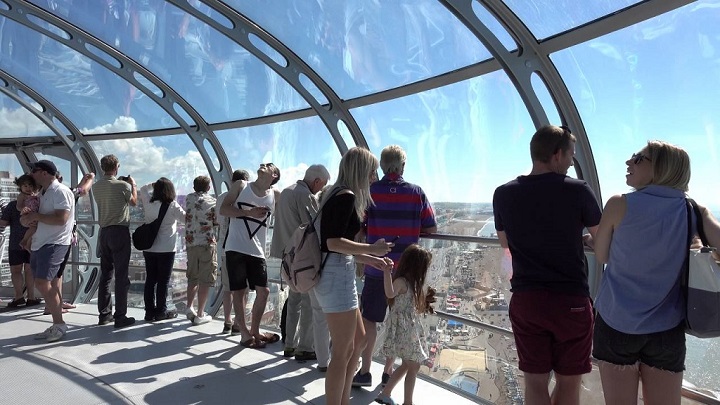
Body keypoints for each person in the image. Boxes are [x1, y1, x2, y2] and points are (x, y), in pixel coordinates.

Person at [592, 141, 720, 405]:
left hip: (617, 324)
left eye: (638, 158)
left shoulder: (619, 204)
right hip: (666, 329)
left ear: (661, 167)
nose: (629, 162)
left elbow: (603, 256)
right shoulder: (693, 209)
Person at [492, 125, 601, 405]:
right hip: (571, 302)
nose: (570, 163)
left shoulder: (503, 193)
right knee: (568, 383)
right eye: (570, 157)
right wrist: (581, 240)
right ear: (556, 155)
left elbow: (506, 243)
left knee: (535, 382)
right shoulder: (578, 191)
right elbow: (603, 241)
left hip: (528, 301)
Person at [312, 147, 393, 405]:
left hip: (339, 273)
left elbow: (336, 248)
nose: (374, 177)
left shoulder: (336, 194)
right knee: (344, 351)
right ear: (360, 171)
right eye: (371, 171)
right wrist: (371, 248)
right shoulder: (345, 197)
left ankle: (343, 400)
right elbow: (333, 243)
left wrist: (371, 259)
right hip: (336, 278)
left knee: (358, 341)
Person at [353, 145, 437, 388]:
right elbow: (431, 227)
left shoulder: (370, 192)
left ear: (381, 166)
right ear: (402, 166)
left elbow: (360, 226)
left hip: (376, 267)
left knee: (370, 320)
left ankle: (365, 370)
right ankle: (388, 371)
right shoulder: (416, 193)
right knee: (399, 319)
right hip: (406, 273)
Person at [270, 164, 331, 362]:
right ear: (316, 181)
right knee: (307, 304)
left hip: (287, 258)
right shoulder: (306, 196)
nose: (320, 190)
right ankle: (304, 347)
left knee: (293, 301)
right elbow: (314, 227)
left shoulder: (286, 192)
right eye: (321, 186)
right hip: (303, 260)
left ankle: (289, 344)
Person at [220, 163, 281, 348]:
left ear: (275, 175)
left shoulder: (275, 195)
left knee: (264, 291)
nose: (263, 165)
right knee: (238, 291)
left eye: (268, 165)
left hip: (258, 250)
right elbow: (224, 209)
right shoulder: (241, 186)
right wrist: (249, 213)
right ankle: (245, 334)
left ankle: (254, 330)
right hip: (235, 247)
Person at [20, 160, 74, 342]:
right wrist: (28, 220)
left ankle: (59, 324)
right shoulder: (43, 193)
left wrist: (36, 216)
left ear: (43, 173)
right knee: (42, 282)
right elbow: (40, 218)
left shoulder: (60, 192)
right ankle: (57, 324)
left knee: (43, 282)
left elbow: (62, 219)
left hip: (54, 243)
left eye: (34, 170)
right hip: (41, 243)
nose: (31, 174)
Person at [375, 244, 435, 405]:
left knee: (408, 365)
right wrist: (387, 272)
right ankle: (406, 402)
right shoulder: (402, 282)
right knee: (412, 365)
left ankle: (386, 393)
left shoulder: (413, 283)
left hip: (410, 329)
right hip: (404, 329)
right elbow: (389, 293)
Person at [92, 154, 138, 328]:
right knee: (121, 276)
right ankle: (120, 316)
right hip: (119, 231)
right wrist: (132, 185)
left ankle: (104, 315)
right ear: (117, 166)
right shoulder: (123, 185)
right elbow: (133, 202)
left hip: (103, 232)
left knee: (106, 274)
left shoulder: (96, 187)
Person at [42, 171, 95, 315]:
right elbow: (82, 190)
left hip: (48, 238)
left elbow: (77, 190)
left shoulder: (44, 194)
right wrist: (90, 179)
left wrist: (84, 179)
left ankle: (56, 303)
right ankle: (53, 306)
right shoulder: (61, 193)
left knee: (56, 274)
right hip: (60, 239)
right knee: (56, 274)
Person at [138, 178, 186, 322]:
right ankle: (160, 311)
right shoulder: (172, 206)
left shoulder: (149, 203)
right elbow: (186, 219)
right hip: (166, 249)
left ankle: (149, 312)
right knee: (163, 282)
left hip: (150, 247)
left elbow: (142, 189)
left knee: (150, 280)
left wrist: (151, 184)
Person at [217, 169, 250, 334]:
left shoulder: (221, 198)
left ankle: (227, 320)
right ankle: (239, 323)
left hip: (225, 248)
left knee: (227, 288)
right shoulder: (246, 197)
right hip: (242, 248)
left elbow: (218, 219)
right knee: (242, 289)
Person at [0, 174, 41, 307]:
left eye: (29, 185)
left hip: (15, 243)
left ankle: (18, 297)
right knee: (29, 270)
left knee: (16, 271)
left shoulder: (12, 206)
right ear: (21, 187)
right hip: (32, 241)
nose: (28, 188)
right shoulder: (37, 202)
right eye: (25, 185)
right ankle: (31, 297)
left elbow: (3, 223)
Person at [184, 175, 217, 325]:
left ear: (194, 186)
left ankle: (189, 306)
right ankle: (200, 313)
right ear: (208, 188)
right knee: (205, 279)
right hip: (206, 242)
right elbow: (216, 220)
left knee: (192, 277)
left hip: (191, 243)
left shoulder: (188, 198)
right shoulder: (212, 201)